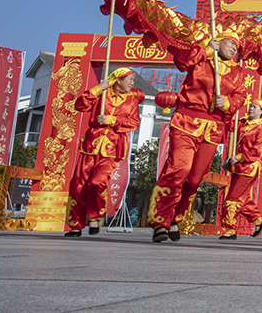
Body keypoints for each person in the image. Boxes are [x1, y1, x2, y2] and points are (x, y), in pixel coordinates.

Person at [149, 31, 248, 243]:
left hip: (212, 128)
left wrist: (228, 102)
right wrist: (205, 49)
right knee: (179, 169)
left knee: (194, 179)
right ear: (220, 41)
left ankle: (175, 217)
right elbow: (181, 61)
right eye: (231, 43)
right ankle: (160, 221)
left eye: (237, 48)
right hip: (186, 120)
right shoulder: (201, 55)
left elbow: (240, 96)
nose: (234, 49)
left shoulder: (238, 71)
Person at [65, 68, 144, 236]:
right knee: (79, 185)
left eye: (133, 80)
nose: (132, 83)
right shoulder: (101, 94)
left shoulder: (131, 100)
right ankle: (76, 225)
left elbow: (133, 123)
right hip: (90, 146)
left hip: (113, 149)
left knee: (97, 182)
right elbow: (80, 105)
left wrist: (111, 120)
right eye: (129, 80)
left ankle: (94, 218)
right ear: (118, 80)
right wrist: (98, 88)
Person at [218, 97, 262, 239]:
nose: (251, 108)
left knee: (232, 198)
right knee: (243, 199)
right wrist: (228, 108)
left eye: (254, 107)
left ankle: (230, 229)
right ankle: (258, 221)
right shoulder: (242, 123)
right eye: (251, 106)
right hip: (237, 167)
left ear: (261, 111)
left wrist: (240, 157)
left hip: (249, 168)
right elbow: (228, 125)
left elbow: (258, 151)